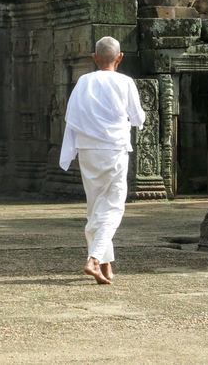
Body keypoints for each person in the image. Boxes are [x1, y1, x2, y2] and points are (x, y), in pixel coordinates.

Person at [59, 36, 146, 285]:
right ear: (119, 58)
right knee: (113, 206)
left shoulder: (83, 81)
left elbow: (72, 115)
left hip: (87, 149)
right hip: (113, 149)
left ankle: (106, 266)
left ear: (95, 59)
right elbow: (138, 117)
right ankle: (94, 259)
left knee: (96, 207)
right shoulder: (125, 82)